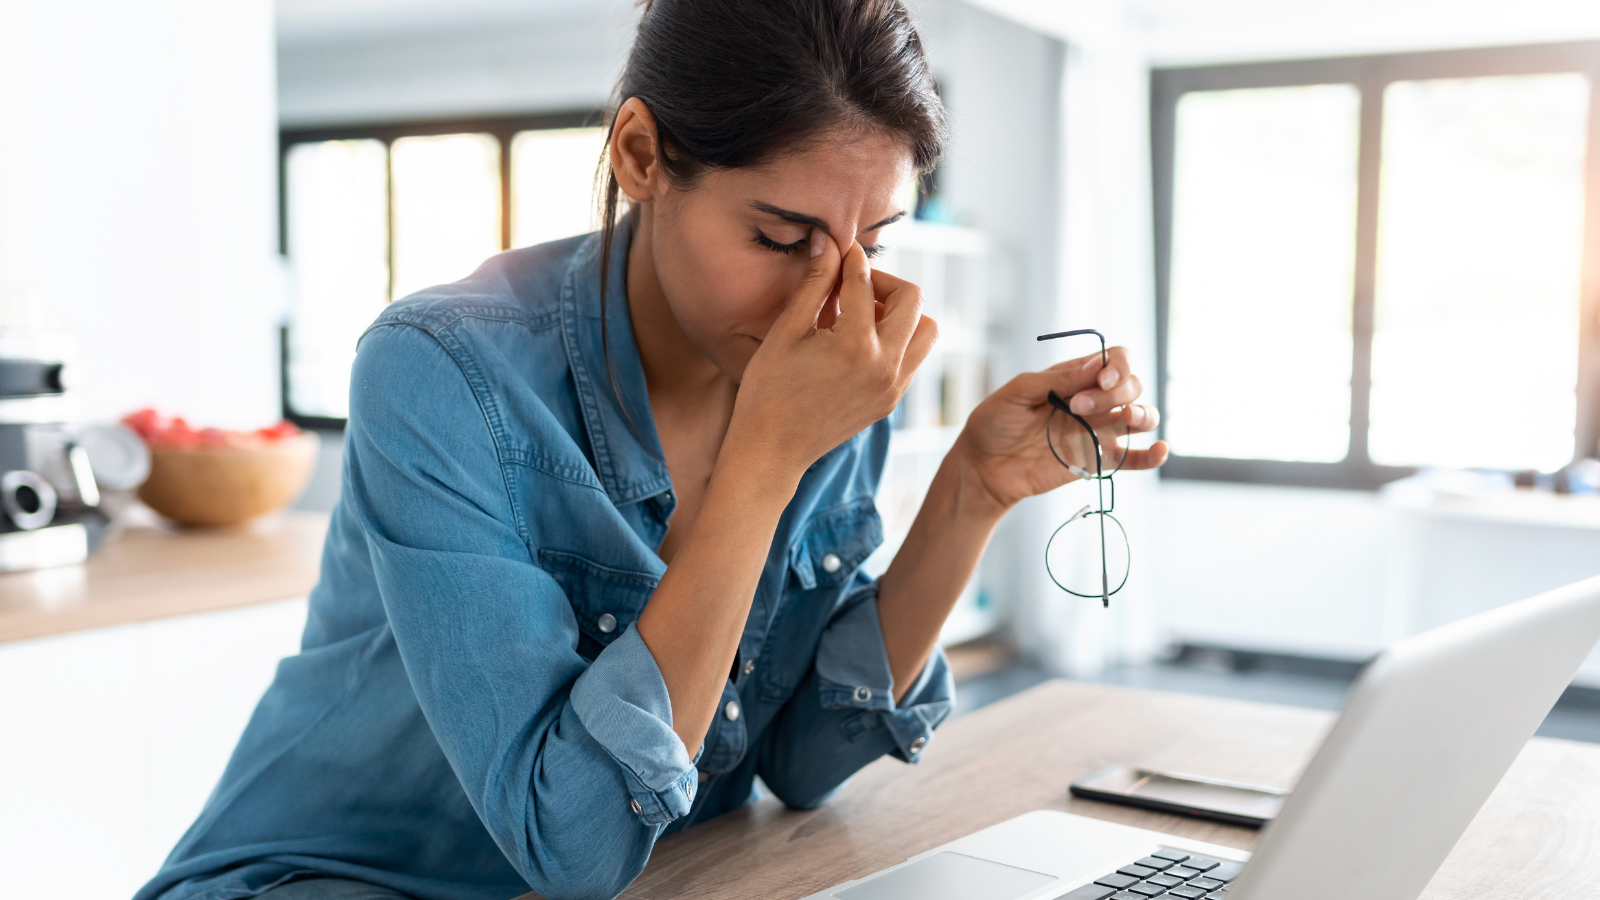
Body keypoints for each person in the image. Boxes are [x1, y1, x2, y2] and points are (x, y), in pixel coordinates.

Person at [137, 1, 1166, 898]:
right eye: (778, 237)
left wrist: (971, 493)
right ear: (639, 154)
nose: (834, 302)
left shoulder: (827, 363)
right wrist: (763, 465)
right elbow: (570, 842)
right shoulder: (442, 371)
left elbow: (803, 759)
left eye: (875, 244)